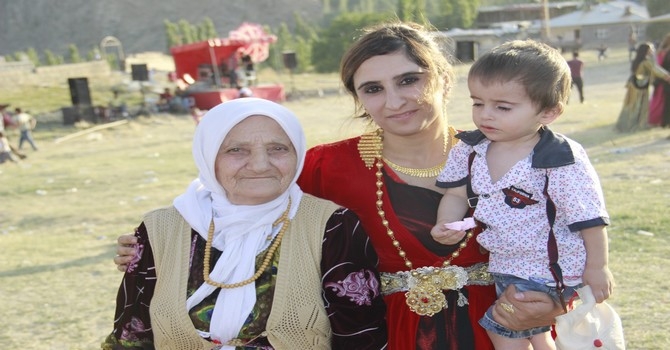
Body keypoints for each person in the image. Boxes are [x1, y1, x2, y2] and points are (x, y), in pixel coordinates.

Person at [115, 21, 564, 350]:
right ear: (358, 99)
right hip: (379, 333)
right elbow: (237, 197)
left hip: (503, 326)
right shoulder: (326, 166)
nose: (394, 100)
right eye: (372, 88)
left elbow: (574, 235)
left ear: (444, 79)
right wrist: (153, 243)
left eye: (409, 79)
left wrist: (557, 302)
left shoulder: (515, 155)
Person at [102, 98, 388, 349]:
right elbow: (130, 337)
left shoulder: (333, 227)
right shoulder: (160, 230)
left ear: (297, 153)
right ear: (208, 155)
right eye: (236, 150)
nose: (261, 164)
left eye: (278, 148)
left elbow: (361, 337)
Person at [430, 39, 614, 349]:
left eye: (502, 107)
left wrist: (598, 267)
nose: (486, 115)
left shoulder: (557, 157)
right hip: (505, 264)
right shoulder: (472, 148)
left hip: (551, 268)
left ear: (549, 112)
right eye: (478, 103)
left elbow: (589, 218)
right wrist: (446, 222)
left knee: (504, 326)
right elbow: (456, 194)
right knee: (527, 330)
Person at [615, 42, 670, 132]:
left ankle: (627, 124)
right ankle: (638, 124)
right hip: (640, 85)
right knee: (640, 105)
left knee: (631, 105)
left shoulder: (638, 60)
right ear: (646, 51)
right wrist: (667, 76)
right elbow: (656, 70)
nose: (652, 51)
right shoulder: (647, 61)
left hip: (633, 84)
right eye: (651, 49)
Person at [649, 33, 670, 128]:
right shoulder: (664, 52)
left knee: (659, 100)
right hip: (665, 78)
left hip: (661, 79)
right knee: (662, 101)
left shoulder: (660, 52)